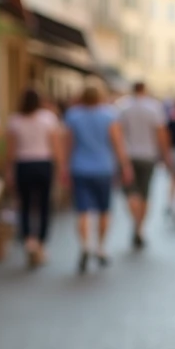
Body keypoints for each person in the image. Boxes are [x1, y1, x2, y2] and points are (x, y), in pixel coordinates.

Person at [62, 84, 131, 273]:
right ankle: (100, 248)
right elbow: (117, 143)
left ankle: (85, 246)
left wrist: (64, 167)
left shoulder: (73, 115)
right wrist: (124, 165)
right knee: (104, 210)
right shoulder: (109, 115)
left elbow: (68, 144)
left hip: (80, 168)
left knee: (83, 211)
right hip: (103, 169)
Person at [7, 87, 62, 267]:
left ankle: (29, 240)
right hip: (43, 164)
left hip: (23, 165)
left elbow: (11, 150)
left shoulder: (15, 120)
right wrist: (60, 167)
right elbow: (55, 145)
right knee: (44, 205)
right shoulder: (48, 118)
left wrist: (9, 170)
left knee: (25, 204)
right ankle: (41, 242)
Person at [115, 81, 171, 249]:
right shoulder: (154, 107)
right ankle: (139, 228)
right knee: (145, 194)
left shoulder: (122, 107)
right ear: (145, 90)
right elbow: (161, 133)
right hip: (148, 156)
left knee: (131, 193)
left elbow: (116, 133)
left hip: (127, 156)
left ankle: (135, 223)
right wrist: (165, 155)